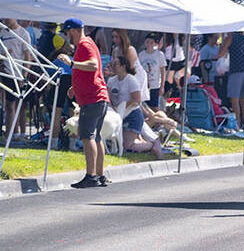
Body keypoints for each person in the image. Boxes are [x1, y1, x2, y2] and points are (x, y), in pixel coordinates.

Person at [56, 18, 110, 188]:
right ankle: (100, 175)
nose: (67, 36)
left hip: (92, 99)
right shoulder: (89, 43)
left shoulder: (84, 44)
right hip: (97, 97)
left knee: (87, 136)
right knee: (96, 136)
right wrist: (75, 86)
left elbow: (93, 65)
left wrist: (72, 63)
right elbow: (90, 71)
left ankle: (91, 175)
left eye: (67, 32)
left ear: (73, 30)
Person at [107, 56, 163, 159]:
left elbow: (136, 100)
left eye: (115, 64)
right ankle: (152, 140)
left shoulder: (131, 80)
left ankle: (152, 146)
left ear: (123, 66)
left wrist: (122, 106)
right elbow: (108, 98)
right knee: (119, 142)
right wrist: (113, 108)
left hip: (132, 115)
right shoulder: (111, 81)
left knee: (127, 145)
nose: (113, 66)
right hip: (118, 115)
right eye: (112, 64)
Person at [220, 31, 244, 131]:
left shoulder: (231, 38)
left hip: (236, 71)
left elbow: (221, 53)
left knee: (234, 99)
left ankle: (237, 123)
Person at [138, 34, 166, 108]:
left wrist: (162, 86)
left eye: (151, 42)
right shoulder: (141, 55)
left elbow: (163, 71)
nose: (149, 44)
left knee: (155, 107)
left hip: (155, 85)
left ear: (155, 44)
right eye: (147, 42)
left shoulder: (159, 55)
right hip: (144, 85)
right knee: (144, 107)